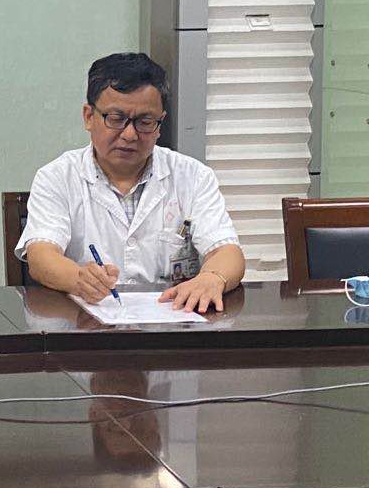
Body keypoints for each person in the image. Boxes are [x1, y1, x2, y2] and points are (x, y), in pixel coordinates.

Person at [16, 52, 246, 312]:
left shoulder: (193, 176)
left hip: (170, 325)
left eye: (145, 122)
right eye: (116, 119)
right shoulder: (57, 177)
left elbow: (227, 252)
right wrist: (78, 278)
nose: (129, 134)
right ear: (89, 116)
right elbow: (41, 256)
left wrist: (212, 278)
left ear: (160, 124)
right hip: (85, 325)